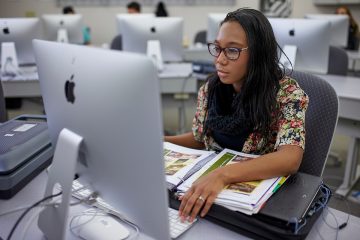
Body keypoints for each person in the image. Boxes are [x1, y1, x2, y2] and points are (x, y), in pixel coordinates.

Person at [164, 8, 309, 222]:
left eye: (232, 51)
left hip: (253, 197)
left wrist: (222, 175)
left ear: (258, 52)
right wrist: (160, 141)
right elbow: (199, 138)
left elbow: (290, 158)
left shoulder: (286, 94)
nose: (220, 60)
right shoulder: (211, 89)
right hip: (209, 188)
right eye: (218, 48)